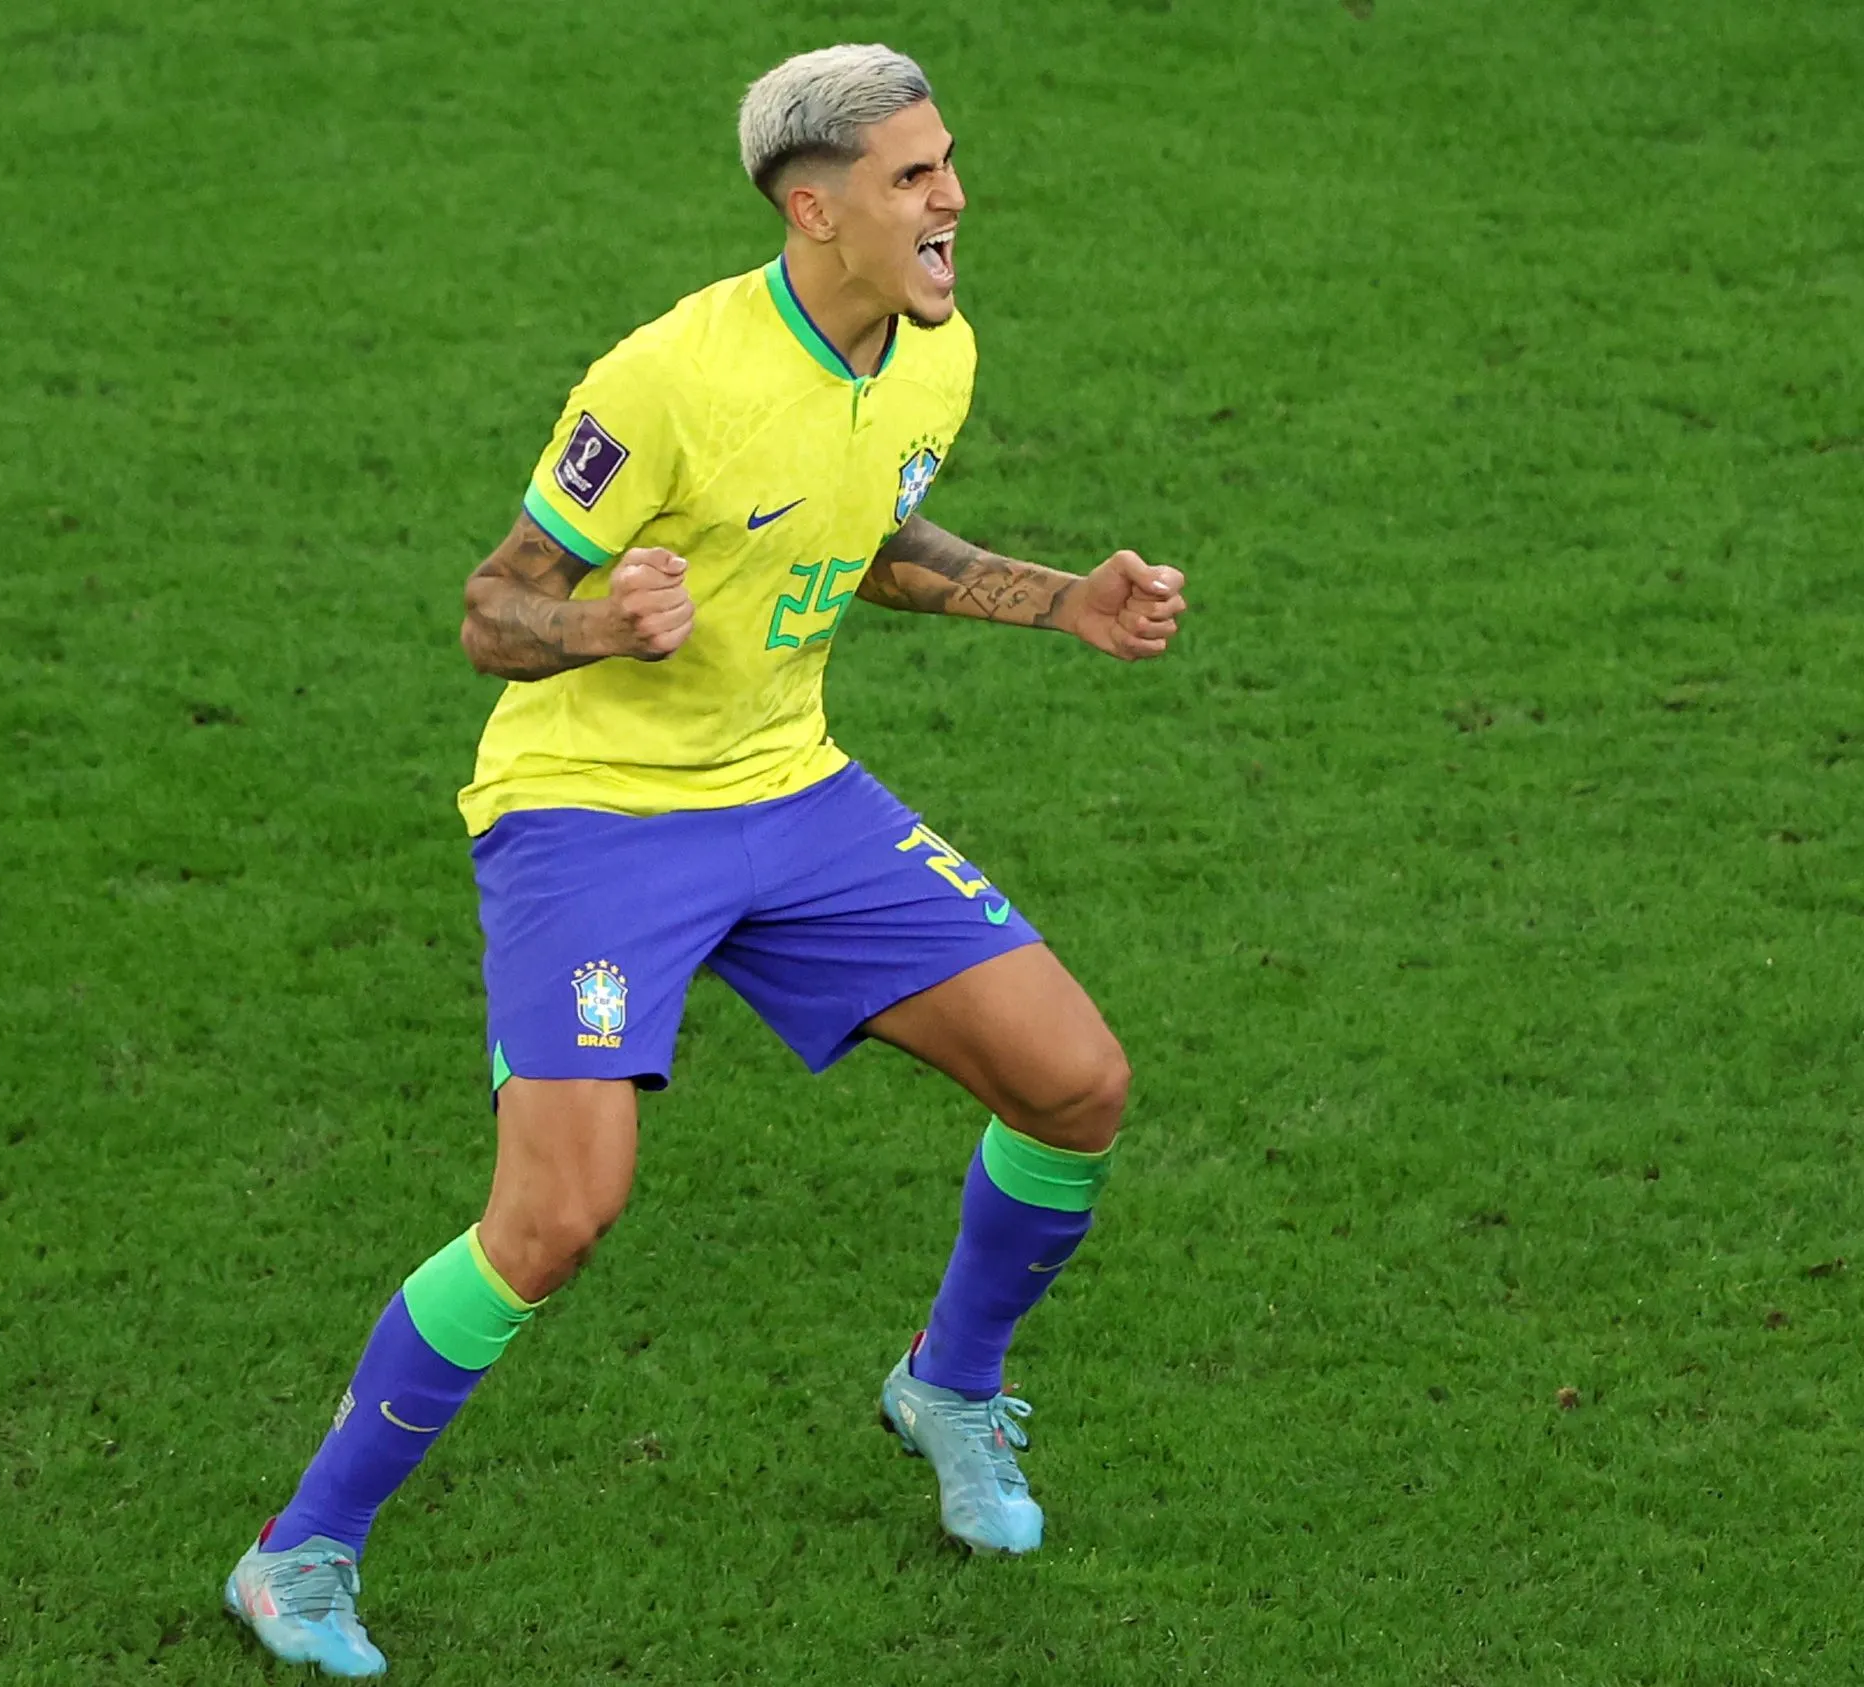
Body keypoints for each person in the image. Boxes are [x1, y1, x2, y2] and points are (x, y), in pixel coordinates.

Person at [223, 42, 1189, 1676]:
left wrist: (1058, 601)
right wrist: (606, 624)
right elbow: (492, 609)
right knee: (558, 1213)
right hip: (594, 815)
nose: (953, 197)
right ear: (815, 212)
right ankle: (298, 1550)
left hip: (789, 791)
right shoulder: (665, 379)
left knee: (1074, 1082)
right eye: (912, 176)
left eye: (947, 160)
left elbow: (864, 532)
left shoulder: (933, 352)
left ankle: (948, 1385)